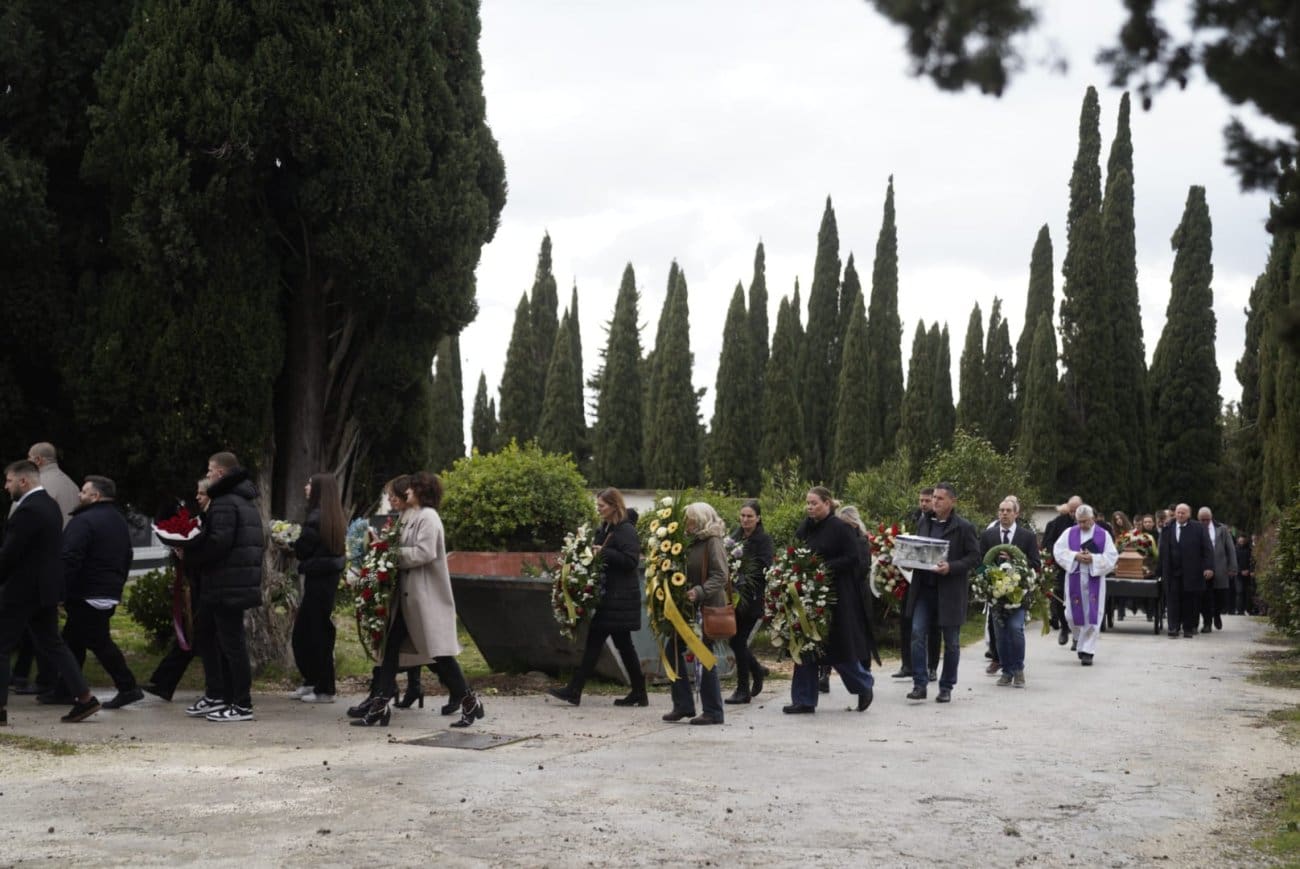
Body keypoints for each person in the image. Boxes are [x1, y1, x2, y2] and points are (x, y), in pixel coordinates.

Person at [354, 472, 482, 728]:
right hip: (407, 599)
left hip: (424, 598)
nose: (407, 491)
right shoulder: (408, 516)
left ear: (422, 491)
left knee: (440, 655)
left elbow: (425, 552)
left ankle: (469, 700)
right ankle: (381, 703)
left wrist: (390, 554)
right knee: (390, 650)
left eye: (412, 488)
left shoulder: (429, 517)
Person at [0, 460, 101, 725]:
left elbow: (10, 554)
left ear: (23, 481)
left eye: (9, 481)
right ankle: (85, 697)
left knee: (2, 646)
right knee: (53, 644)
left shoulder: (28, 510)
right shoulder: (49, 505)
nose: (6, 486)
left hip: (22, 590)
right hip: (45, 590)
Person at [180, 452, 265, 722]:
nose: (207, 475)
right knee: (216, 638)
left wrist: (189, 553)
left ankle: (241, 704)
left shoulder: (225, 501)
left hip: (226, 583)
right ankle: (223, 697)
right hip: (233, 581)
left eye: (209, 470)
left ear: (219, 473)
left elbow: (218, 543)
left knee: (232, 644)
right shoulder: (243, 499)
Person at [547, 487, 648, 708]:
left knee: (597, 642)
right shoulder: (606, 528)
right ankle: (639, 692)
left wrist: (604, 552)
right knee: (622, 645)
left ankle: (575, 690)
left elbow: (631, 561)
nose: (598, 509)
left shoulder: (626, 530)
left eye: (602, 505)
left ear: (614, 506)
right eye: (598, 505)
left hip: (619, 598)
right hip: (610, 597)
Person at [53, 475, 141, 709]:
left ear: (95, 496)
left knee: (98, 642)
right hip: (106, 589)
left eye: (83, 492)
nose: (79, 495)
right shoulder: (118, 519)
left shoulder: (84, 521)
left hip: (86, 591)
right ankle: (66, 689)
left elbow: (70, 557)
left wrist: (60, 589)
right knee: (73, 640)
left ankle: (128, 686)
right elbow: (127, 555)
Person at [784, 487, 875, 715]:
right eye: (808, 503)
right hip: (808, 595)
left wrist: (823, 567)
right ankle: (804, 699)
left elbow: (853, 558)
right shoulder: (807, 526)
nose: (810, 507)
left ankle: (864, 684)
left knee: (836, 648)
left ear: (827, 503)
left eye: (814, 503)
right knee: (806, 644)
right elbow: (796, 550)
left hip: (836, 596)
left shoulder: (841, 528)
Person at [904, 482, 979, 703]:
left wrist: (951, 567)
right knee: (917, 634)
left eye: (940, 498)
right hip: (924, 590)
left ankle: (946, 687)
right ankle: (919, 684)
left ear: (952, 501)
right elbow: (920, 551)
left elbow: (974, 557)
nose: (934, 501)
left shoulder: (963, 527)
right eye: (934, 497)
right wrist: (909, 561)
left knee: (952, 642)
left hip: (950, 593)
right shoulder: (924, 522)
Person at [143, 479, 215, 702]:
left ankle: (166, 682)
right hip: (197, 583)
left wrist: (188, 555)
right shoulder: (202, 517)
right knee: (191, 635)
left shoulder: (213, 518)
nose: (197, 497)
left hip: (207, 586)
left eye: (202, 493)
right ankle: (163, 682)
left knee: (197, 636)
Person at [662, 502, 729, 726]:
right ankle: (683, 704)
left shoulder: (713, 541)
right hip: (689, 607)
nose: (685, 523)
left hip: (706, 606)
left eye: (689, 519)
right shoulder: (690, 541)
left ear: (699, 520)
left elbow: (721, 575)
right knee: (672, 649)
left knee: (704, 655)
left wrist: (699, 591)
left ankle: (713, 711)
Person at [289, 473, 347, 703]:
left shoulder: (315, 518)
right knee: (309, 630)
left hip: (318, 578)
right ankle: (313, 681)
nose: (306, 487)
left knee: (313, 633)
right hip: (327, 578)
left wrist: (291, 544)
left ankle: (324, 688)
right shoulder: (334, 516)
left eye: (310, 484)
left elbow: (303, 549)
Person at [979, 497, 1040, 687]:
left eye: (1008, 510)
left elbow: (1035, 563)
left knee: (1015, 629)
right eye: (1001, 510)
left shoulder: (1027, 536)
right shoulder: (988, 535)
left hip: (1018, 593)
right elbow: (980, 563)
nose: (1004, 513)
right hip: (996, 594)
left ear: (1016, 514)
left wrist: (1015, 560)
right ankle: (1006, 671)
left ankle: (1018, 669)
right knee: (1000, 633)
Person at [1052, 505, 1117, 665]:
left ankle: (1088, 651)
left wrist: (1093, 558)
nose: (1081, 525)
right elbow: (1058, 551)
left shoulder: (1103, 535)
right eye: (1079, 522)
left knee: (1092, 615)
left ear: (1092, 518)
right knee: (1070, 615)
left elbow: (1111, 556)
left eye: (1085, 521)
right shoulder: (1069, 533)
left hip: (1094, 579)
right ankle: (1078, 638)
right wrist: (1075, 556)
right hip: (1075, 578)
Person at [724, 499, 774, 704]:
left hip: (751, 598)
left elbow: (765, 565)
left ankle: (743, 688)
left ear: (758, 518)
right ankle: (756, 670)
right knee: (734, 640)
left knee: (738, 641)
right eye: (743, 516)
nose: (745, 520)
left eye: (750, 516)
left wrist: (744, 566)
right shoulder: (735, 536)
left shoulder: (763, 540)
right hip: (734, 597)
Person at [893, 487, 939, 681]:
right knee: (908, 621)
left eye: (927, 500)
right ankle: (908, 665)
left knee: (933, 627)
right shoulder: (915, 518)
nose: (924, 504)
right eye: (921, 500)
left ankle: (932, 666)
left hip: (935, 579)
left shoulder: (939, 521)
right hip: (912, 578)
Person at [836, 505, 882, 677]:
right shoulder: (841, 542)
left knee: (861, 632)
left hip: (858, 593)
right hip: (843, 590)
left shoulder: (861, 541)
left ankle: (865, 668)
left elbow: (862, 568)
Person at [1158, 503, 1214, 639]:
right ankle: (1173, 627)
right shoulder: (1168, 527)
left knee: (1189, 600)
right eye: (1178, 512)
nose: (1180, 515)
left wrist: (1208, 567)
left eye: (1183, 512)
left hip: (1192, 571)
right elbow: (1162, 551)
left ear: (1189, 514)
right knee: (1172, 600)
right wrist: (1160, 570)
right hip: (1172, 571)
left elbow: (1207, 549)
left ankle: (1188, 628)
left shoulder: (1198, 528)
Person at [1042, 495, 1081, 646]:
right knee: (1059, 597)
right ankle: (1064, 628)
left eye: (1076, 510)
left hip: (1081, 568)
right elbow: (1049, 542)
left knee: (1078, 601)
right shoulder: (1059, 522)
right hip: (1062, 567)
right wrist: (1059, 556)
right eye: (1071, 511)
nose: (1073, 514)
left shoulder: (1087, 522)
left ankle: (1077, 635)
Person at [1198, 507, 1237, 632]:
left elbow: (1230, 548)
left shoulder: (1222, 529)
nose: (1205, 522)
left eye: (1207, 519)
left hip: (1220, 566)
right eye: (1202, 520)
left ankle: (1217, 613)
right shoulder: (1196, 528)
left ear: (1211, 517)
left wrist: (1232, 567)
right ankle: (1207, 623)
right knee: (1205, 597)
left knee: (1221, 595)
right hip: (1204, 568)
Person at [1235, 534, 1255, 615]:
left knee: (1248, 592)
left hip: (1248, 574)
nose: (1242, 542)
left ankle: (1248, 609)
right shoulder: (1235, 550)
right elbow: (1234, 562)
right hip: (1239, 574)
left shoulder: (1249, 550)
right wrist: (1240, 571)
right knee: (1239, 592)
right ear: (1238, 541)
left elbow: (1252, 561)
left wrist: (1250, 570)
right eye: (1240, 541)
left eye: (1243, 541)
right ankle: (1239, 610)